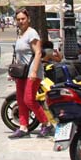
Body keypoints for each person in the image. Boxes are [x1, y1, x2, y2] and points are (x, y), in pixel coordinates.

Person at [10, 8, 53, 139]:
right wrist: (14, 72)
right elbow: (19, 55)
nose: (21, 21)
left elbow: (38, 52)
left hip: (32, 72)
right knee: (21, 100)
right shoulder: (20, 34)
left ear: (28, 19)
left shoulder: (32, 33)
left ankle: (46, 123)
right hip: (22, 73)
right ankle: (23, 127)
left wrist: (34, 71)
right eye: (18, 19)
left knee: (29, 100)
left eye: (23, 19)